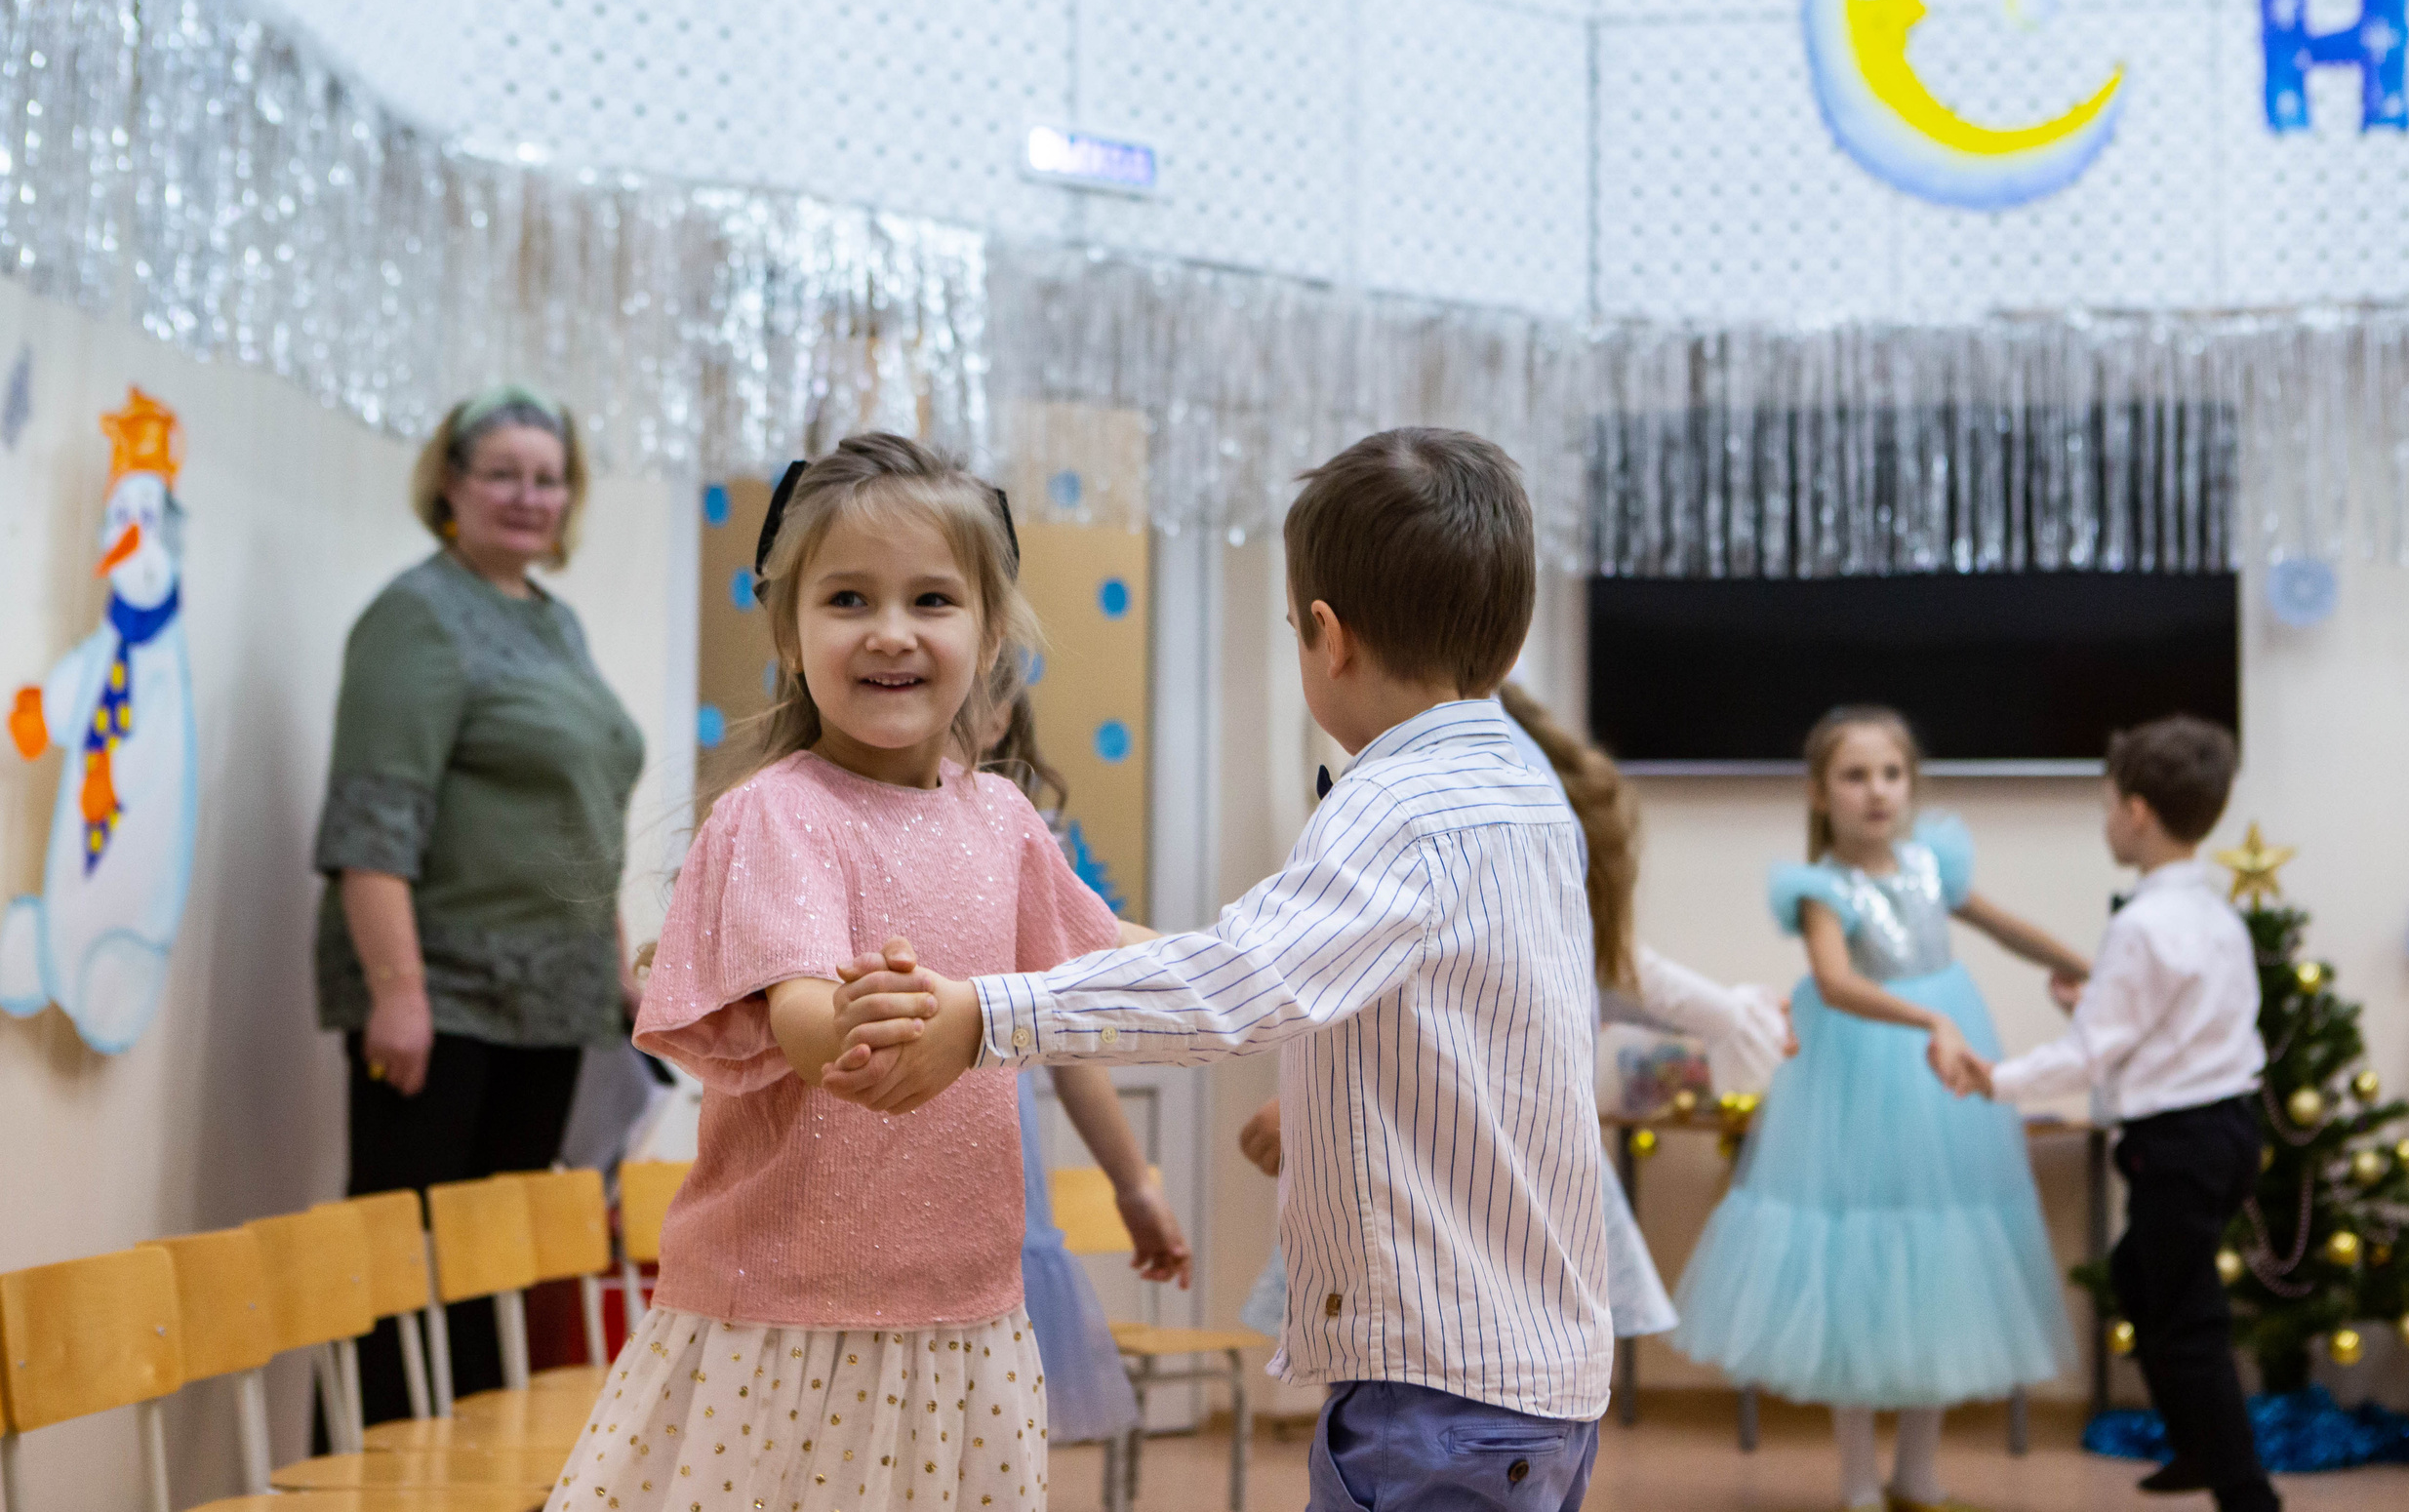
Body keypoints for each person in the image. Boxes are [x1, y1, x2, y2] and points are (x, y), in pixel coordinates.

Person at [823, 428, 1613, 1512]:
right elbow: (1469, 1022)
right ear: (1508, 641)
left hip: (1439, 1389)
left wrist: (983, 1016)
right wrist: (1324, 1108)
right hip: (1539, 1378)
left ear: (1326, 638)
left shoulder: (1394, 808)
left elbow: (1238, 981)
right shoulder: (1523, 793)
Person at [542, 434, 1192, 1512]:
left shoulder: (1002, 820)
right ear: (789, 635)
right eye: (848, 599)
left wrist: (1251, 962)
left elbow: (1098, 953)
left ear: (989, 635)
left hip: (963, 1319)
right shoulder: (775, 817)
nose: (891, 632)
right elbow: (803, 1015)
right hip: (788, 1326)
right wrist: (860, 1020)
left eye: (932, 599)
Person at [1236, 680, 1793, 1345]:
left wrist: (1311, 1103)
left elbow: (1437, 1017)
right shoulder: (1500, 813)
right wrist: (1737, 1013)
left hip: (1459, 1187)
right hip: (1492, 1186)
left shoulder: (1483, 821)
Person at [312, 384, 645, 1417]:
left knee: (492, 1279)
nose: (527, 496)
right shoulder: (417, 614)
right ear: (449, 484)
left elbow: (577, 814)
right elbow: (373, 819)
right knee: (397, 1275)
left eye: (548, 478)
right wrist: (396, 991)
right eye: (501, 473)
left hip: (554, 1004)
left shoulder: (556, 624)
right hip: (442, 1003)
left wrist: (618, 970)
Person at [1670, 704, 2083, 1512]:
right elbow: (1833, 981)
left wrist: (2093, 968)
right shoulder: (1823, 888)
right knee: (1852, 1270)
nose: (1876, 791)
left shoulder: (1933, 864)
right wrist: (1928, 1017)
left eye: (1890, 773)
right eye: (1855, 776)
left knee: (1942, 1262)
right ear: (1821, 794)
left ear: (1911, 784)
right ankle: (1859, 1480)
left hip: (1940, 1090)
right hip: (1856, 1076)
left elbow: (2006, 927)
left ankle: (1919, 1474)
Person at [1983, 718, 2276, 1512]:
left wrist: (1993, 1078)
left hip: (2176, 1139)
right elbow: (2188, 1017)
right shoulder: (2214, 913)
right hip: (2227, 1127)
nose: (2107, 818)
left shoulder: (2143, 922)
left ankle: (2247, 1492)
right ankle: (2196, 1441)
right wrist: (2099, 999)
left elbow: (2087, 1057)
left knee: (2187, 1317)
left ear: (2138, 812)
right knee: (2137, 1272)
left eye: (2109, 803)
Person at [979, 677, 1189, 1447]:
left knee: (994, 1433)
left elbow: (1067, 1031)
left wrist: (1132, 1182)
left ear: (1002, 710)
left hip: (993, 1152)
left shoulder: (1023, 836)